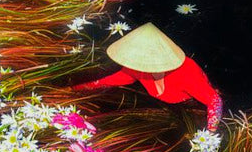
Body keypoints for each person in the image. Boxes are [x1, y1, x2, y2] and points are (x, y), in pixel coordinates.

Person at [72, 22, 222, 131]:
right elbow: (111, 80)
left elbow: (214, 101)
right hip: (165, 107)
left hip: (191, 105)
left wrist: (210, 132)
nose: (138, 64)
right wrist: (75, 89)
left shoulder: (186, 73)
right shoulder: (137, 67)